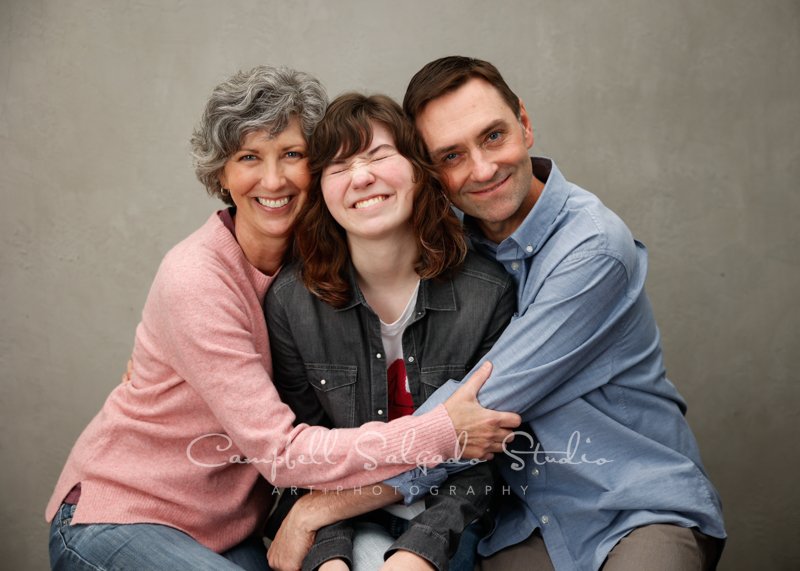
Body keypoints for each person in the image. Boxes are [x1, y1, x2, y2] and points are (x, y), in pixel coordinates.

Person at [45, 65, 520, 571]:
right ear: (220, 174)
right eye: (249, 157)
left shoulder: (325, 256)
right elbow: (284, 453)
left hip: (227, 530)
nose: (273, 180)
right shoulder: (197, 279)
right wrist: (444, 431)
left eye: (291, 155)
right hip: (123, 514)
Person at [269, 57, 727, 571]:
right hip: (520, 521)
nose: (482, 170)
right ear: (431, 172)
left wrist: (318, 508)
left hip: (629, 503)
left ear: (524, 123)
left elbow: (467, 416)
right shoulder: (450, 240)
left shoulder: (593, 249)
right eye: (452, 154)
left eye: (492, 137)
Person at [264, 93, 516, 571]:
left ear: (419, 171)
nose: (362, 177)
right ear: (320, 190)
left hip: (453, 519)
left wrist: (419, 553)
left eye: (379, 156)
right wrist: (328, 554)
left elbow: (485, 455)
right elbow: (303, 451)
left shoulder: (488, 294)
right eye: (338, 168)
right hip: (343, 519)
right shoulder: (292, 302)